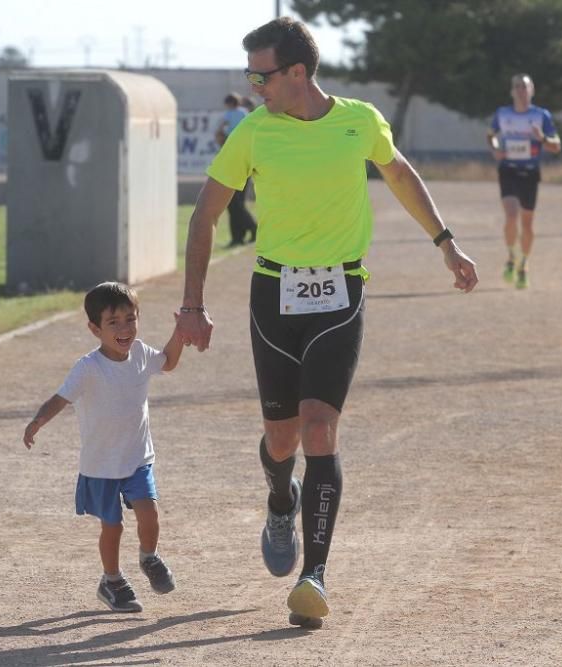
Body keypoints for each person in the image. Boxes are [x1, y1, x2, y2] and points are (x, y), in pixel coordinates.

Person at [175, 17, 478, 628]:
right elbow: (205, 215)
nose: (253, 85)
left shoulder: (359, 120)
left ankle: (314, 574)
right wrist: (192, 305)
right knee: (281, 439)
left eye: (261, 74)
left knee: (319, 429)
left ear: (296, 72)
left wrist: (445, 242)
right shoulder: (255, 132)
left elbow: (397, 173)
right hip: (274, 295)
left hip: (341, 292)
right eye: (250, 75)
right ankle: (279, 499)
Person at [23, 282, 184, 613]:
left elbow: (168, 362)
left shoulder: (139, 352)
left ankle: (149, 557)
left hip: (138, 457)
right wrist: (38, 420)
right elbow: (60, 398)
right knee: (113, 527)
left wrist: (180, 332)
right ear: (95, 328)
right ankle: (111, 581)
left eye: (130, 319)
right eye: (114, 322)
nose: (124, 329)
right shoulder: (88, 368)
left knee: (149, 512)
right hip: (102, 465)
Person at [487, 74, 561, 290]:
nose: (521, 90)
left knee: (527, 223)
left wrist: (543, 139)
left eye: (525, 87)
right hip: (508, 170)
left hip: (530, 173)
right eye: (517, 87)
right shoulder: (502, 114)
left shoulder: (541, 116)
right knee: (511, 216)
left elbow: (557, 145)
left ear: (532, 91)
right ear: (512, 91)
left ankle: (523, 264)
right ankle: (512, 256)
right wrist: (495, 149)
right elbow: (490, 135)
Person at [215, 92, 257, 246]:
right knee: (235, 203)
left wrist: (221, 132)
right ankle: (238, 236)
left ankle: (252, 229)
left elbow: (220, 130)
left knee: (235, 203)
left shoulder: (232, 114)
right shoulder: (245, 114)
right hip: (245, 160)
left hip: (237, 160)